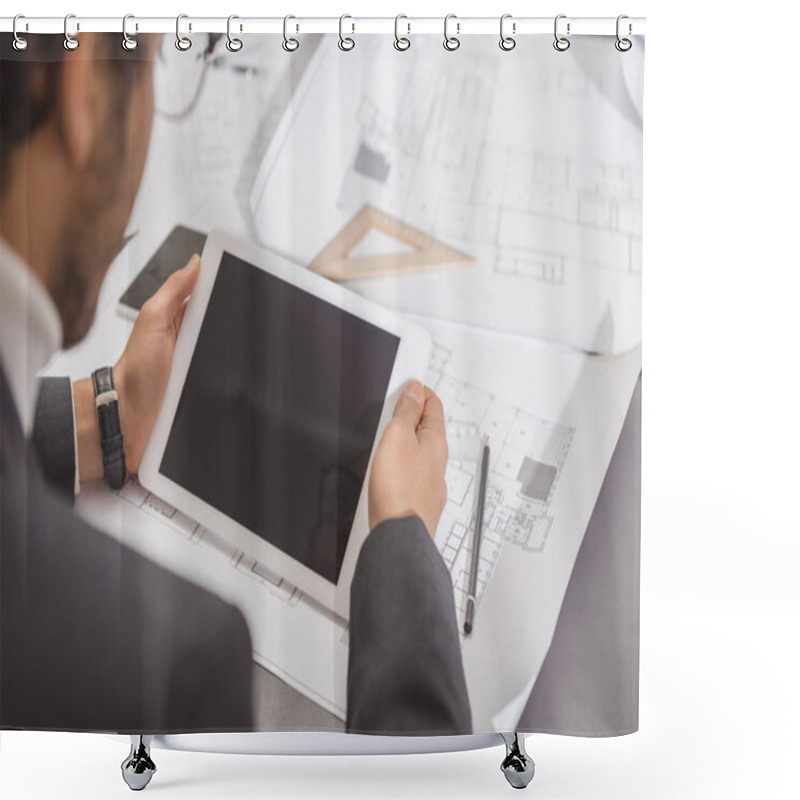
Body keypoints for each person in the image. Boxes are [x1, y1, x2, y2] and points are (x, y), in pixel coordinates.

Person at [0, 32, 471, 735]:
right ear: (80, 86)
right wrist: (402, 544)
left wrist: (107, 416)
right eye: (156, 60)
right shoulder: (171, 667)